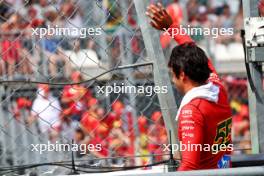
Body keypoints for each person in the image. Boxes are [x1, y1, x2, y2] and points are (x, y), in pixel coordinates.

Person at [146, 3, 232, 171]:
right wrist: (171, 27)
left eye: (173, 74)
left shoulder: (192, 111)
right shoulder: (216, 88)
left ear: (182, 75)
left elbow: (190, 167)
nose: (172, 79)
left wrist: (172, 27)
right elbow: (196, 53)